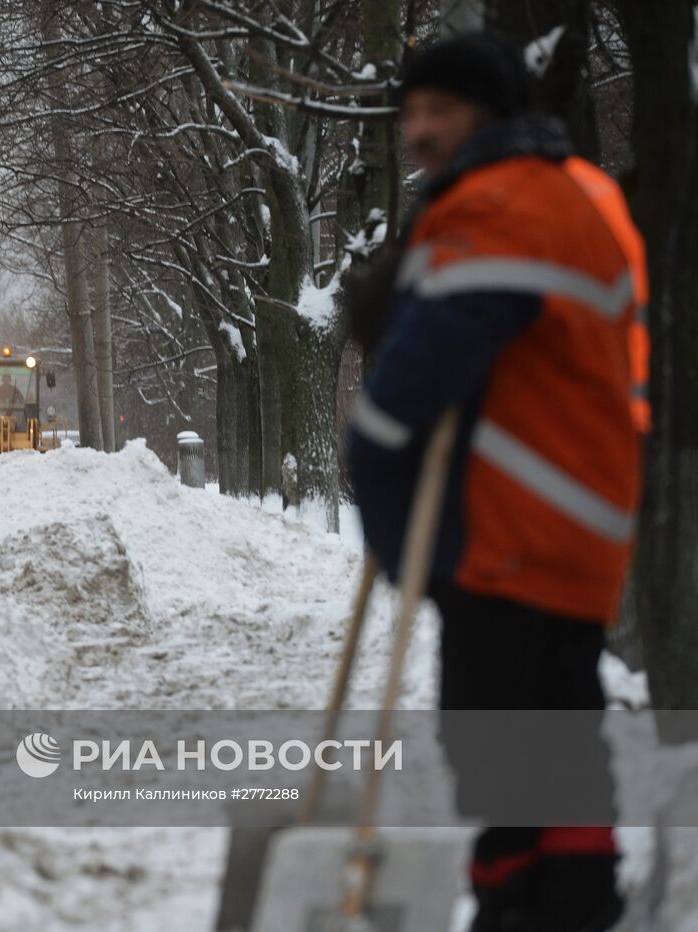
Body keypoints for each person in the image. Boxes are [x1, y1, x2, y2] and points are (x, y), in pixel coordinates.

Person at [345, 33, 648, 932]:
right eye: (412, 114)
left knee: (503, 739)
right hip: (566, 516)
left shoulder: (501, 202)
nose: (422, 131)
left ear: (491, 114)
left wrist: (377, 451)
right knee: (541, 740)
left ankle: (537, 907)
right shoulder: (557, 191)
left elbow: (433, 358)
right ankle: (546, 901)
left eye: (443, 111)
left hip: (522, 518)